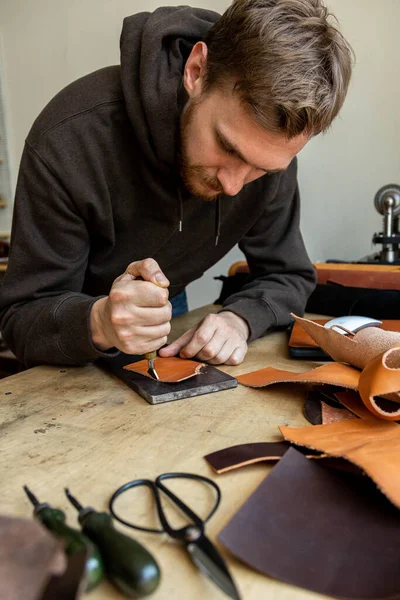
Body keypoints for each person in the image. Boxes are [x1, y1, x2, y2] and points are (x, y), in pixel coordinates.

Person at [0, 0, 353, 368]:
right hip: (65, 341)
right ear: (197, 71)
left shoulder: (268, 160)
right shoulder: (70, 136)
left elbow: (289, 274)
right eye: (227, 146)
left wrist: (241, 319)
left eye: (260, 169)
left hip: (164, 316)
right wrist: (102, 321)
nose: (234, 186)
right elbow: (22, 318)